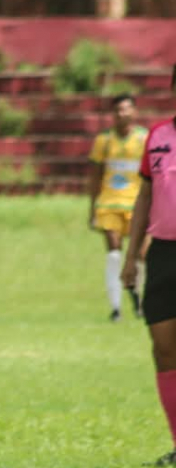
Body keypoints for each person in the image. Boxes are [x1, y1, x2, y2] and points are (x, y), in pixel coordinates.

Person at [122, 83, 176, 467]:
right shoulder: (158, 135)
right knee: (163, 348)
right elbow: (144, 197)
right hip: (163, 254)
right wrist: (131, 258)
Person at [88, 94, 148, 321]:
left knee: (140, 255)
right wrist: (92, 208)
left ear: (134, 112)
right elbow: (95, 176)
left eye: (126, 109)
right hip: (109, 203)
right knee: (114, 253)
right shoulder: (104, 140)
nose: (122, 114)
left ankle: (137, 298)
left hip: (137, 204)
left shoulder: (144, 138)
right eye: (118, 110)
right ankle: (116, 309)